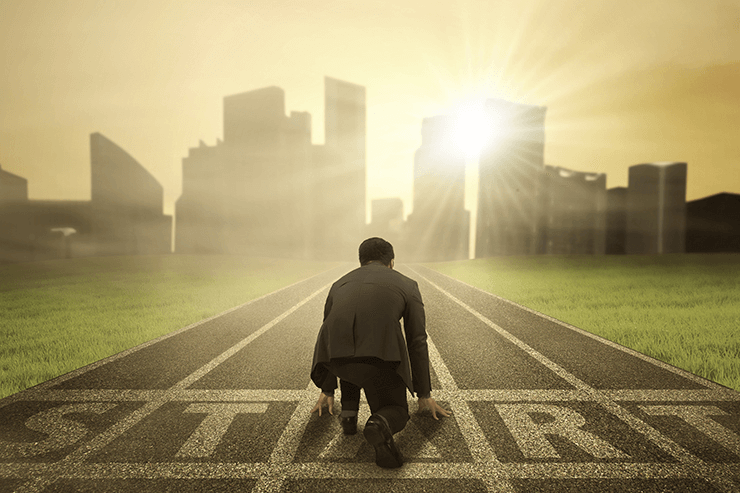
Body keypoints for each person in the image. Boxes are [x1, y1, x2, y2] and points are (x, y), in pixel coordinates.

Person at [310, 237, 450, 468]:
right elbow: (417, 340)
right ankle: (379, 424)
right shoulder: (408, 284)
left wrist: (327, 387)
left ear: (361, 261)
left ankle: (349, 413)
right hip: (379, 361)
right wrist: (423, 393)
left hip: (335, 360)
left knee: (350, 349)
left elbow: (330, 330)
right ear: (391, 262)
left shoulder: (338, 284)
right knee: (397, 411)